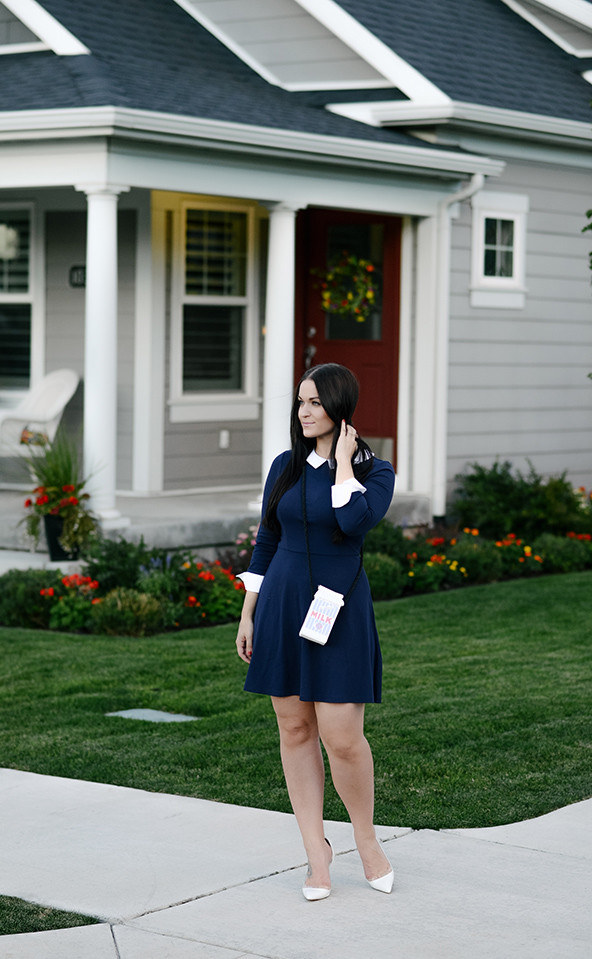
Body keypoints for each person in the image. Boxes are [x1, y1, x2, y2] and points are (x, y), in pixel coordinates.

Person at [236, 363, 396, 901]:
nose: (303, 412)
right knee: (294, 728)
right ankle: (315, 855)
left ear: (339, 407)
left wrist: (345, 464)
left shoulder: (376, 473)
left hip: (339, 610)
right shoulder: (284, 466)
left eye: (313, 403)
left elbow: (352, 523)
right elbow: (266, 539)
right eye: (299, 403)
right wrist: (248, 610)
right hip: (282, 605)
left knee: (343, 737)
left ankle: (367, 842)